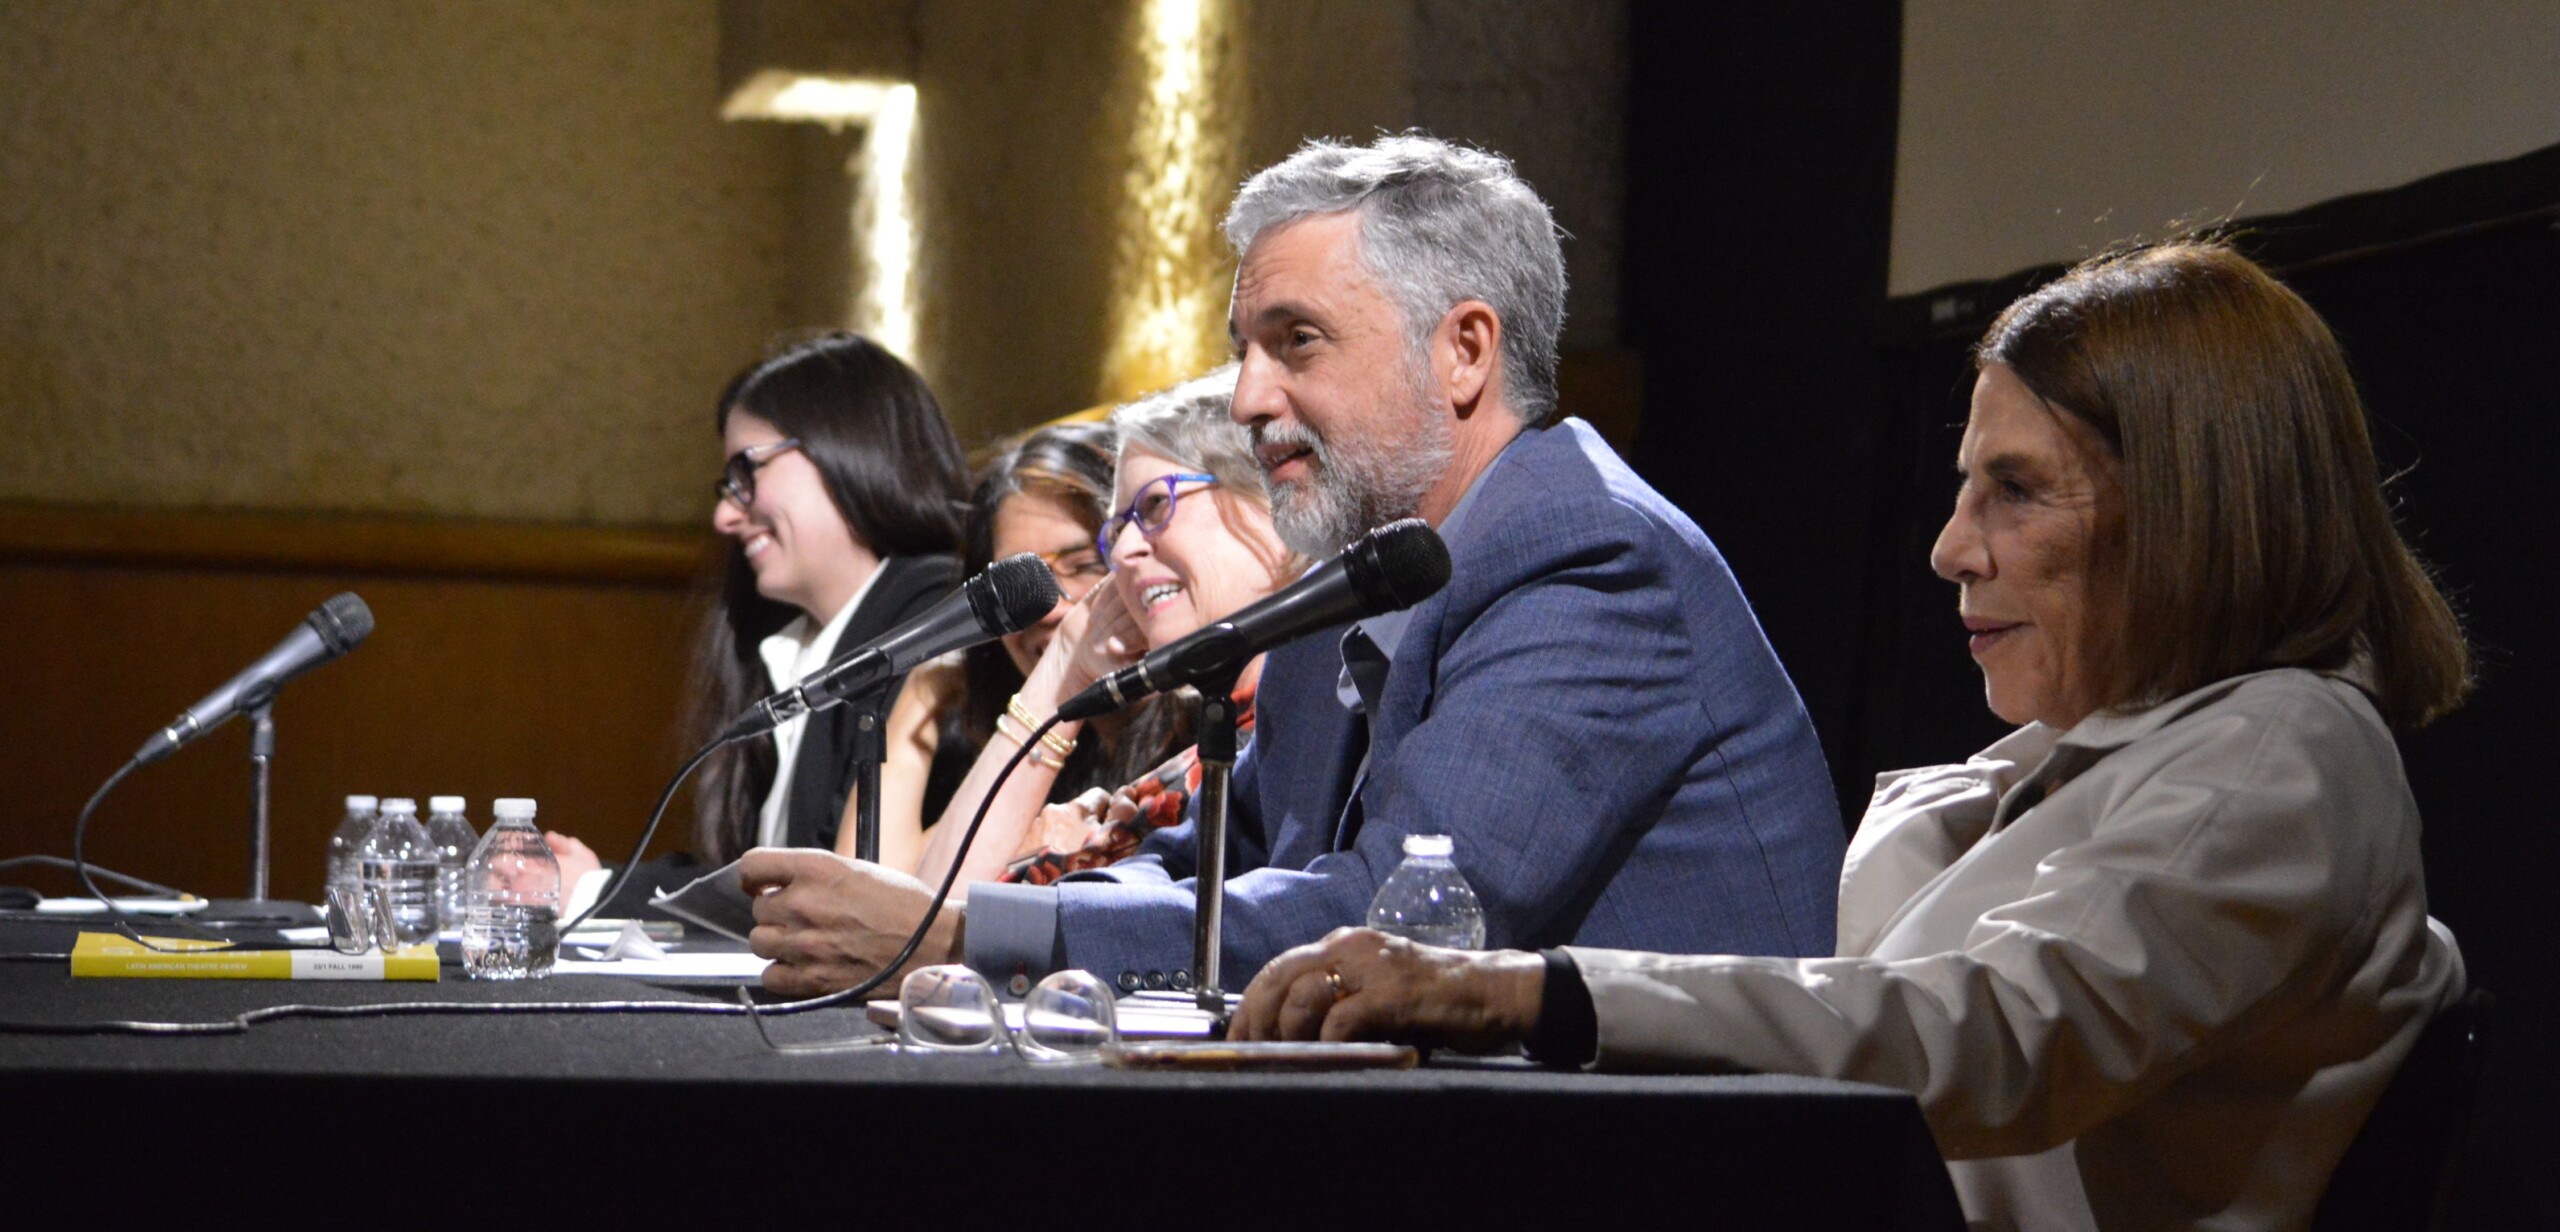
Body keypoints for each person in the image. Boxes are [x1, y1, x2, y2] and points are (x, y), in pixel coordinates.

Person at [1235, 241, 2472, 1232]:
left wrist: (1518, 988)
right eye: (1961, 483)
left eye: (2018, 488)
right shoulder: (2093, 757)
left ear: (2192, 508)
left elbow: (1987, 1031)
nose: (1949, 547)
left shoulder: (2284, 751)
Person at [739, 134, 1845, 997]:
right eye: (1242, 349)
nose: (1247, 399)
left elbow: (1398, 920)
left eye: (1296, 341)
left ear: (1463, 349)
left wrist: (982, 933)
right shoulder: (1351, 573)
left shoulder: (1590, 561)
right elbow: (1223, 855)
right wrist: (1044, 905)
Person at [553, 333, 968, 909]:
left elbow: (823, 890)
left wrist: (595, 890)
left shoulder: (940, 617)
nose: (726, 515)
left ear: (849, 445)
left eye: (746, 473)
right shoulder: (794, 641)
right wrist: (598, 880)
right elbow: (757, 870)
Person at [908, 366, 1301, 892]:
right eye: (1117, 530)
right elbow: (931, 920)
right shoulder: (1220, 733)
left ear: (1273, 497)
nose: (1122, 552)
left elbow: (940, 923)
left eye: (1155, 506)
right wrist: (1064, 664)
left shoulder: (1315, 716)